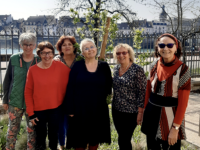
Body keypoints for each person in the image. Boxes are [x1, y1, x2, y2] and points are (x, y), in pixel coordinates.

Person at [141, 33, 191, 150]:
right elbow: (148, 91)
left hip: (171, 117)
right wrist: (144, 111)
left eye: (169, 45)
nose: (166, 48)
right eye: (162, 45)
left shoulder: (183, 70)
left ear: (176, 47)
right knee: (152, 147)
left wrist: (175, 128)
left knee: (170, 147)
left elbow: (183, 103)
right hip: (151, 113)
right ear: (158, 48)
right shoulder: (153, 65)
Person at [64, 38, 112, 150]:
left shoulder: (104, 66)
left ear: (96, 49)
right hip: (79, 110)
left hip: (98, 109)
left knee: (94, 139)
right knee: (79, 141)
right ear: (82, 53)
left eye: (91, 47)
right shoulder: (77, 66)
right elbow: (70, 88)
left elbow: (109, 86)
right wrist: (70, 109)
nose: (90, 50)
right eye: (86, 48)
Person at [24, 41, 70, 150]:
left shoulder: (59, 65)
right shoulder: (32, 70)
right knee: (40, 138)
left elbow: (73, 76)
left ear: (53, 54)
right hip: (38, 111)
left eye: (49, 53)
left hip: (56, 108)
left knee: (54, 137)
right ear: (39, 54)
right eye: (44, 53)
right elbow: (28, 92)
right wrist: (31, 113)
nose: (47, 56)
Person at [2, 33, 39, 150]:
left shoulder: (39, 60)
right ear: (20, 45)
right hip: (15, 101)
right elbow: (7, 80)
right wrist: (5, 99)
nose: (28, 47)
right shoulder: (14, 58)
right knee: (12, 131)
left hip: (33, 104)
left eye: (31, 45)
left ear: (35, 45)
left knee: (32, 132)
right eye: (25, 44)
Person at [112, 43, 147, 150]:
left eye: (124, 52)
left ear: (129, 54)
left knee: (124, 138)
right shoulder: (116, 69)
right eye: (118, 53)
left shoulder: (137, 70)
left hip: (131, 112)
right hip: (116, 110)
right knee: (121, 138)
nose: (121, 55)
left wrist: (140, 113)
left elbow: (143, 93)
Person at [54, 35, 82, 150]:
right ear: (60, 47)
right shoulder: (56, 60)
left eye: (69, 44)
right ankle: (62, 145)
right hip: (60, 95)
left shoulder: (80, 59)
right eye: (64, 45)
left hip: (77, 96)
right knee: (61, 122)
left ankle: (77, 143)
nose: (67, 47)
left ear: (74, 46)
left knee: (76, 122)